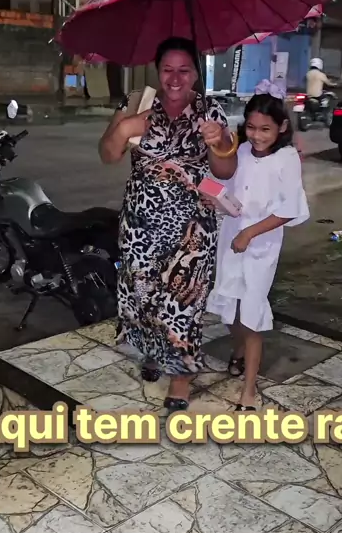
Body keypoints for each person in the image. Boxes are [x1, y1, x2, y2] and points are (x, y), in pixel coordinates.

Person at [99, 37, 237, 414]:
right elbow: (108, 154)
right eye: (167, 70)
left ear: (196, 73)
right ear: (157, 70)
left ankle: (180, 377)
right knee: (144, 295)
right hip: (141, 223)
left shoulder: (210, 111)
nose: (175, 78)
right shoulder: (137, 103)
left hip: (191, 225)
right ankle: (154, 350)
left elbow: (226, 170)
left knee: (183, 301)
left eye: (184, 70)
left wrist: (220, 142)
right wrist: (124, 128)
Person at [206, 80, 309, 410]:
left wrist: (250, 233)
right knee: (228, 306)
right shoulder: (241, 150)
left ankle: (248, 391)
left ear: (281, 127)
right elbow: (229, 186)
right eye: (251, 127)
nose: (257, 135)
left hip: (261, 245)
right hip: (231, 236)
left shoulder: (287, 158)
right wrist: (217, 202)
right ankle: (238, 349)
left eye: (265, 129)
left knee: (251, 314)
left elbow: (289, 209)